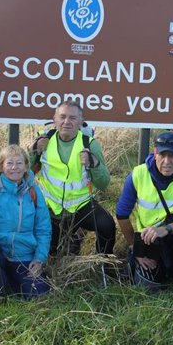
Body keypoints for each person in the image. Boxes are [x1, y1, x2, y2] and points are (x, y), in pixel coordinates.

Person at [116, 132, 173, 314]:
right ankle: (161, 267)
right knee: (147, 285)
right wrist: (136, 248)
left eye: (172, 155)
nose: (167, 161)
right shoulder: (137, 175)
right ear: (155, 153)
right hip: (148, 239)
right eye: (163, 155)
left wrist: (165, 229)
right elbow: (121, 214)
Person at [0, 145, 51, 298]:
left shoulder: (34, 191)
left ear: (26, 167)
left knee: (40, 293)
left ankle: (11, 281)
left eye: (19, 163)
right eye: (9, 163)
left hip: (23, 255)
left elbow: (43, 229)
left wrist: (39, 259)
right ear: (1, 167)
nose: (14, 168)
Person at [32, 100, 115, 255]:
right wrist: (34, 151)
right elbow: (27, 173)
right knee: (53, 252)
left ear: (80, 121)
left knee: (107, 225)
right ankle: (71, 242)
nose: (66, 122)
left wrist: (94, 163)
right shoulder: (43, 141)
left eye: (72, 118)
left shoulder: (90, 144)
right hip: (52, 208)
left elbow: (104, 183)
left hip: (81, 206)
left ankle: (101, 263)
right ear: (55, 119)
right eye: (62, 117)